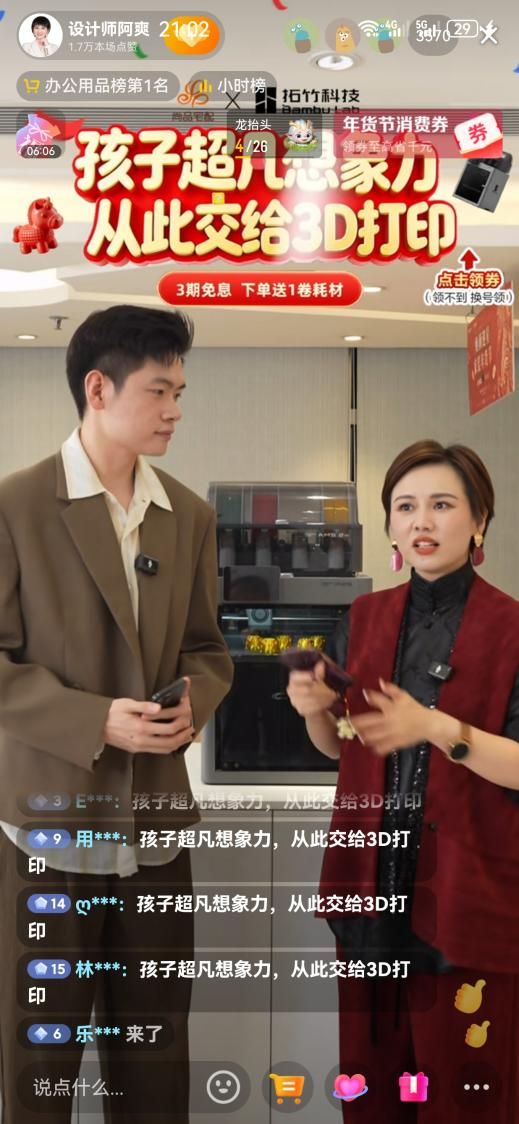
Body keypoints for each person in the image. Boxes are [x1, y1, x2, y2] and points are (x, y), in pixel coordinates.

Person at [0, 304, 234, 1123]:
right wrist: (96, 720)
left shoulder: (188, 515)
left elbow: (207, 648)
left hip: (155, 829)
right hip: (49, 829)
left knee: (156, 1055)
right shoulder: (16, 505)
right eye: (159, 391)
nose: (175, 410)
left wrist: (193, 700)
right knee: (41, 1060)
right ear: (98, 389)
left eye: (179, 392)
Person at [287, 440, 519, 1123]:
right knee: (373, 1098)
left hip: (468, 902)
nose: (421, 521)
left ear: (479, 521)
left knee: (463, 1099)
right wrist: (314, 711)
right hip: (370, 894)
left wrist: (436, 727)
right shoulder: (365, 618)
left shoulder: (512, 628)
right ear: (389, 525)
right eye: (405, 506)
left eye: (441, 505)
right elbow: (342, 747)